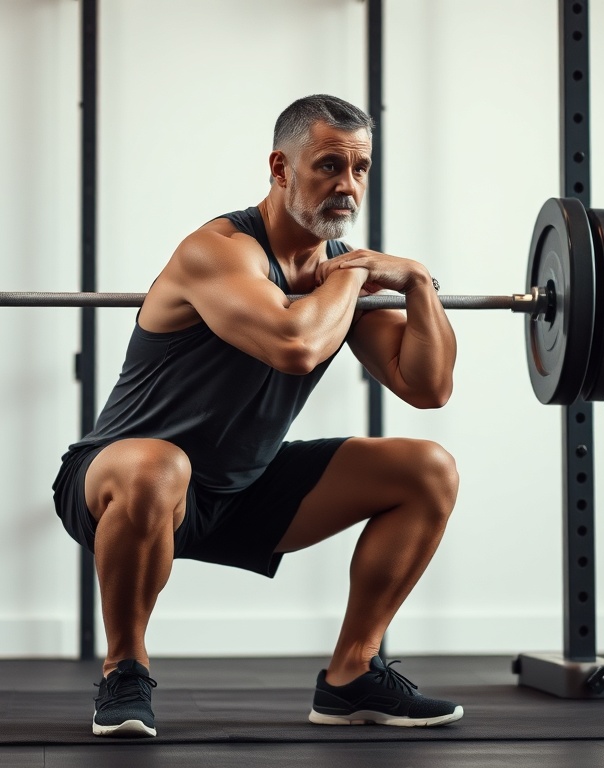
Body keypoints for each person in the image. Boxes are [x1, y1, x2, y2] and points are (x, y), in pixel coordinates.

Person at [52, 94, 461, 738]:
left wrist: (417, 282)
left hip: (241, 487)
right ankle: (123, 670)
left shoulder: (335, 271)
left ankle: (353, 676)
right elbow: (294, 345)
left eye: (360, 169)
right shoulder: (219, 251)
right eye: (329, 166)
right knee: (160, 465)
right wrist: (354, 278)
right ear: (280, 166)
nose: (347, 187)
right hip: (123, 484)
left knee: (427, 469)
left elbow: (428, 385)